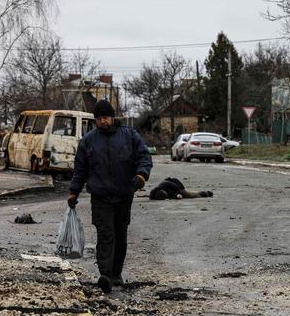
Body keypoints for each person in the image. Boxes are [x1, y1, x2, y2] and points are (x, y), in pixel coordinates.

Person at [68, 100, 153, 294]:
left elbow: (144, 157)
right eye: (98, 119)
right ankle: (105, 275)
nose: (102, 121)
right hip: (100, 197)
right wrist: (74, 191)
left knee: (120, 235)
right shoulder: (88, 141)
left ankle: (116, 273)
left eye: (105, 117)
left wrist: (141, 175)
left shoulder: (129, 136)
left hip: (124, 194)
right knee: (105, 234)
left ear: (112, 117)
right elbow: (80, 170)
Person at [149, 177, 213, 200]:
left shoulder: (168, 185)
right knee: (182, 195)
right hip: (172, 189)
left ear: (163, 191)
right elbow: (171, 195)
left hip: (176, 184)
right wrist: (176, 196)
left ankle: (205, 193)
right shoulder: (154, 193)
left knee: (188, 194)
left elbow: (175, 191)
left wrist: (180, 192)